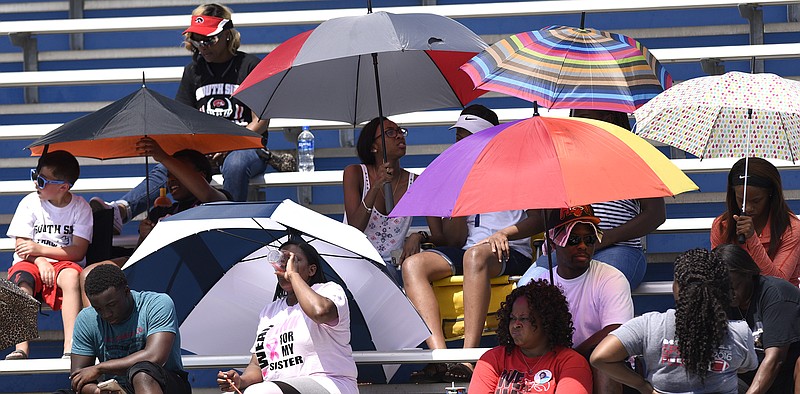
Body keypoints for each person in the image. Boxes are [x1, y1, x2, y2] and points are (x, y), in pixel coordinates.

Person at [90, 3, 276, 234]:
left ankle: (232, 225)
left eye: (209, 39)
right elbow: (182, 121)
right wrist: (201, 147)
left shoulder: (249, 65)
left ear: (227, 35)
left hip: (245, 147)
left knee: (236, 163)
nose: (202, 46)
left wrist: (231, 145)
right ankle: (122, 210)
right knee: (169, 162)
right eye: (197, 40)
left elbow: (261, 121)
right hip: (205, 149)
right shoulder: (193, 71)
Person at [403, 105, 532, 383]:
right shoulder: (459, 173)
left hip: (509, 249)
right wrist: (458, 195)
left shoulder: (517, 168)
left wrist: (505, 233)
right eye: (458, 136)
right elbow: (455, 239)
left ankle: (468, 357)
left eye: (466, 136)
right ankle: (441, 358)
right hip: (470, 252)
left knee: (474, 257)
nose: (459, 143)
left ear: (487, 139)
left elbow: (540, 220)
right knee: (413, 265)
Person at [515, 109, 665, 289]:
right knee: (526, 289)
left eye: (583, 116)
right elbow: (548, 211)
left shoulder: (633, 153)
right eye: (573, 115)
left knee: (595, 288)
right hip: (570, 246)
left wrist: (607, 237)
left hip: (619, 248)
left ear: (607, 117)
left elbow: (656, 214)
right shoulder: (564, 155)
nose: (574, 121)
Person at [79, 138, 231, 306]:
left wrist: (163, 157)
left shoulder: (214, 202)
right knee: (90, 274)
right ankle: (96, 331)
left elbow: (207, 194)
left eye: (177, 173)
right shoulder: (161, 211)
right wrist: (144, 237)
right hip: (153, 267)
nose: (170, 180)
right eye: (168, 176)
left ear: (201, 176)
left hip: (191, 270)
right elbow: (138, 258)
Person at [591, 248, 758, 394]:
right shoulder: (740, 332)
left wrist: (642, 386)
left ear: (676, 287)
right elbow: (744, 366)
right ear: (721, 288)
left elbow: (600, 357)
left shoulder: (649, 325)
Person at [216, 239, 358, 394]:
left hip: (330, 383)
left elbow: (320, 312)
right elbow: (258, 365)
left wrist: (293, 274)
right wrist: (240, 380)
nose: (286, 265)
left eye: (294, 260)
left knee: (260, 392)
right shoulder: (270, 311)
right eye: (281, 260)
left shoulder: (328, 291)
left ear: (311, 270)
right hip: (279, 387)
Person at [523, 205, 634, 394]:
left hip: (603, 365)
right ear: (552, 243)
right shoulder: (538, 283)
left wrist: (571, 358)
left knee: (602, 358)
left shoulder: (611, 277)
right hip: (554, 366)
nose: (583, 246)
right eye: (573, 239)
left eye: (589, 239)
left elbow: (617, 330)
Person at [5, 150, 92, 360]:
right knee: (21, 283)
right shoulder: (30, 202)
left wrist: (41, 250)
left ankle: (71, 346)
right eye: (36, 176)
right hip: (31, 262)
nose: (36, 184)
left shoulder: (81, 208)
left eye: (43, 181)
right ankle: (21, 347)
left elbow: (78, 251)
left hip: (65, 263)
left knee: (72, 277)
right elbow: (22, 246)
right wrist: (41, 259)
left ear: (63, 187)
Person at [69, 264, 191, 394]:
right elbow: (78, 377)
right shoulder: (86, 319)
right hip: (117, 389)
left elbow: (154, 356)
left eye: (111, 305)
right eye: (98, 308)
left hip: (165, 385)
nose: (106, 314)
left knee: (142, 373)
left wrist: (100, 368)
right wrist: (98, 391)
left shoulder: (157, 304)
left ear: (126, 291)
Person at [343, 116, 429, 283]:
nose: (399, 136)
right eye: (390, 132)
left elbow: (441, 235)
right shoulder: (355, 173)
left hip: (393, 270)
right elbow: (354, 228)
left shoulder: (417, 182)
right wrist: (376, 185)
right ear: (373, 146)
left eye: (400, 131)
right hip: (356, 263)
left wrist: (418, 236)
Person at [469, 280, 593, 393]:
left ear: (546, 321)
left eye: (523, 319)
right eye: (512, 318)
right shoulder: (492, 359)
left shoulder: (571, 362)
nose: (516, 325)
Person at [716, 244, 800, 394]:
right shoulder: (719, 299)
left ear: (748, 274)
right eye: (721, 288)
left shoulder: (776, 295)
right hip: (748, 377)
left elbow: (775, 360)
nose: (728, 294)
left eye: (733, 287)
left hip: (786, 377)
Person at [711, 157, 800, 286]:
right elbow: (718, 275)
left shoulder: (791, 228)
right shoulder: (722, 226)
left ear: (770, 194)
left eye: (756, 201)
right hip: (737, 301)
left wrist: (752, 239)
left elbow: (777, 284)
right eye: (741, 199)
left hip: (780, 303)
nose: (747, 208)